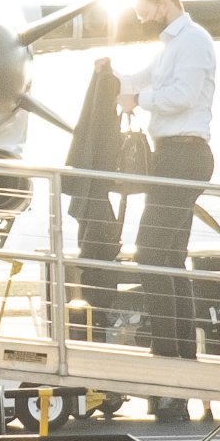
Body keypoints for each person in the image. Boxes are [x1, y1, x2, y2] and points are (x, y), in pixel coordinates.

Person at [118, 0, 217, 407]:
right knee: (170, 257)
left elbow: (182, 96)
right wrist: (111, 78)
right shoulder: (170, 48)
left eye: (145, 12)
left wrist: (137, 99)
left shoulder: (193, 41)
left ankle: (167, 355)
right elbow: (139, 79)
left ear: (164, 5)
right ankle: (181, 359)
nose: (142, 20)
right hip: (172, 155)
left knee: (150, 251)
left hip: (184, 155)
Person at [58, 54, 129, 339]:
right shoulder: (105, 121)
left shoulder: (95, 121)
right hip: (97, 199)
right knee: (99, 259)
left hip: (92, 197)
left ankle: (96, 322)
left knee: (94, 259)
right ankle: (100, 320)